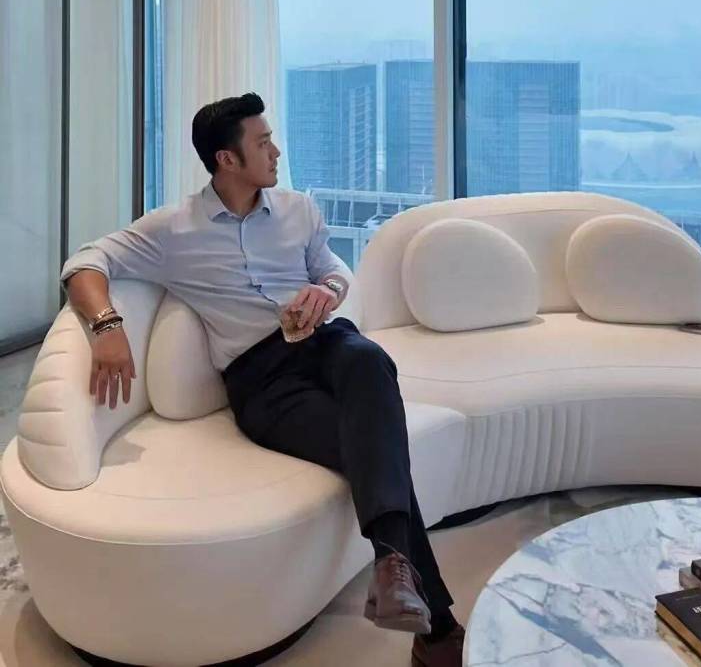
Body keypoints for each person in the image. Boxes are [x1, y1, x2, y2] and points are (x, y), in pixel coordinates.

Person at [61, 92, 465, 667]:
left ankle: (407, 588)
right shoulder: (174, 229)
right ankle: (431, 619)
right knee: (374, 447)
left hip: (325, 343)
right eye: (263, 142)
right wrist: (107, 327)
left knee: (368, 359)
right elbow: (84, 262)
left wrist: (325, 291)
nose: (276, 152)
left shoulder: (299, 210)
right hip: (264, 382)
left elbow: (333, 269)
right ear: (227, 160)